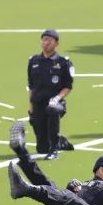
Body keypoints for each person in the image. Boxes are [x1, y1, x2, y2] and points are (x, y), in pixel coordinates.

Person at [27, 29, 75, 159]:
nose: (46, 43)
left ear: (56, 43)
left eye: (49, 40)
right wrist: (30, 109)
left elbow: (68, 86)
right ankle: (60, 141)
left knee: (52, 109)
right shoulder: (34, 61)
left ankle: (54, 150)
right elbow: (31, 87)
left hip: (55, 104)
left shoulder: (63, 62)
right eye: (44, 39)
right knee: (42, 148)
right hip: (38, 104)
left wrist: (57, 98)